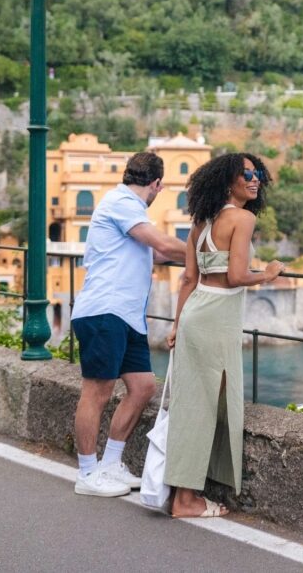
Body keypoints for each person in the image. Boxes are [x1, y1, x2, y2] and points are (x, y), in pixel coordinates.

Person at [164, 153, 285, 518]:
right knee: (204, 407)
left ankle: (184, 490)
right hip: (217, 317)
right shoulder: (243, 219)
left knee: (194, 404)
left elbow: (188, 279)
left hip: (197, 312)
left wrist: (176, 324)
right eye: (245, 174)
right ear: (227, 181)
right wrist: (267, 273)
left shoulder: (201, 221)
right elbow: (235, 276)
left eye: (258, 173)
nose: (254, 179)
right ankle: (185, 500)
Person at [70, 151, 187, 497]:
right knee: (98, 390)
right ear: (156, 184)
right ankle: (88, 474)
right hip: (104, 309)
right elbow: (163, 243)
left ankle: (110, 464)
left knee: (143, 387)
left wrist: (201, 252)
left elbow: (159, 254)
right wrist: (203, 254)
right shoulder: (120, 202)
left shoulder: (130, 212)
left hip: (127, 316)